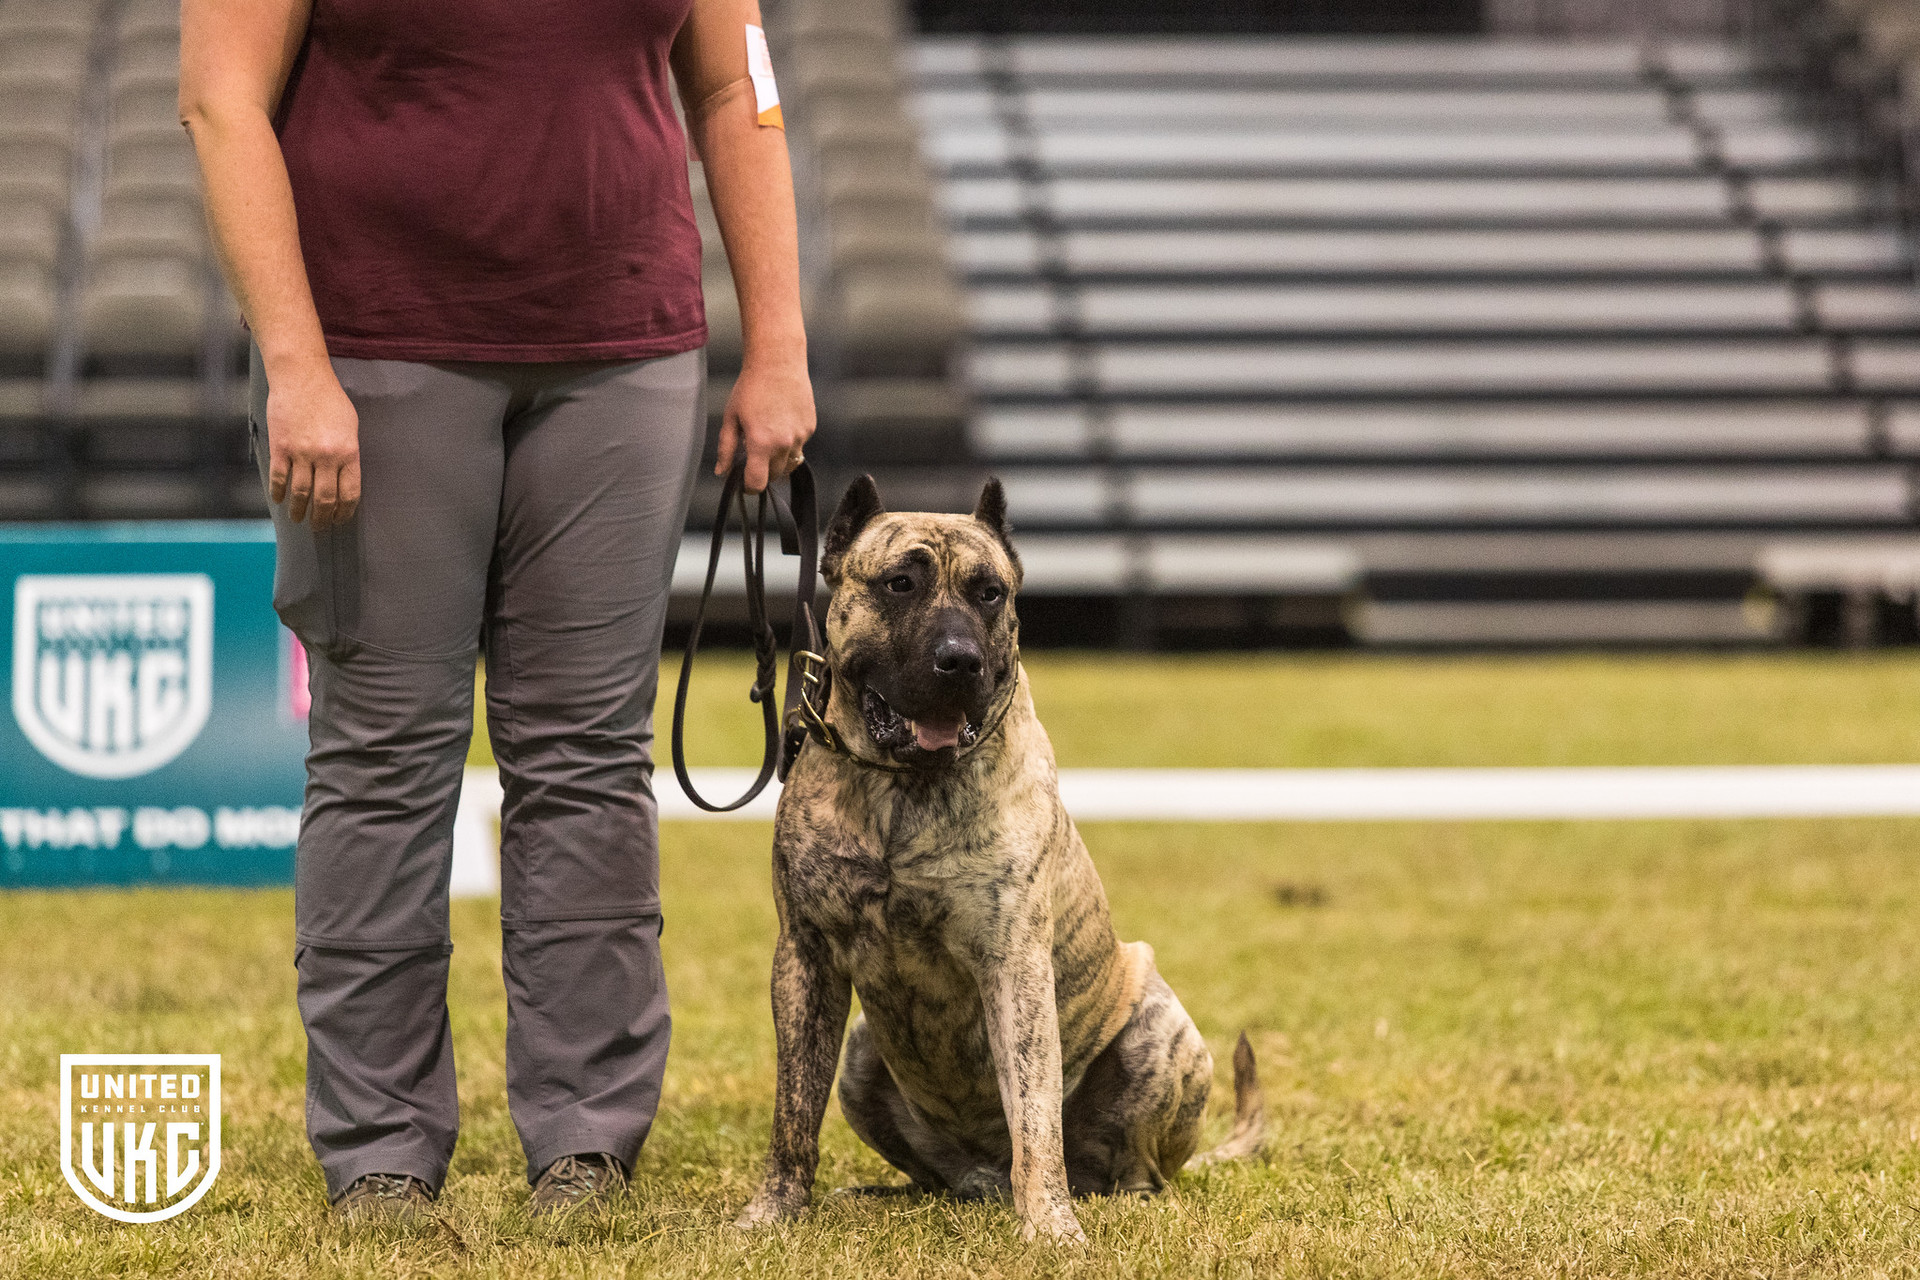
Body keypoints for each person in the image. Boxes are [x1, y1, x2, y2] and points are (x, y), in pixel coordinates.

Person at [180, 0, 815, 1219]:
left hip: (624, 347)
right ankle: (378, 1149)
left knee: (589, 753)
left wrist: (777, 338)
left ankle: (587, 1137)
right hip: (375, 349)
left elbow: (738, 87)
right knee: (383, 751)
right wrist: (297, 363)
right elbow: (221, 101)